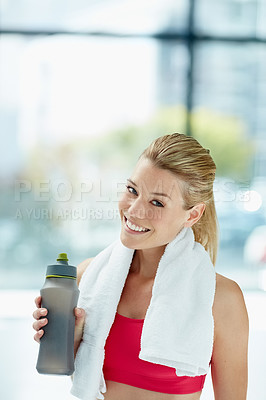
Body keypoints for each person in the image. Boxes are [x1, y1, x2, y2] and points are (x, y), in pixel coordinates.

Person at [33, 133, 249, 400]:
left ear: (192, 214)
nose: (134, 210)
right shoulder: (88, 277)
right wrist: (71, 339)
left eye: (156, 202)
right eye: (132, 190)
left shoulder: (221, 299)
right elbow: (82, 376)